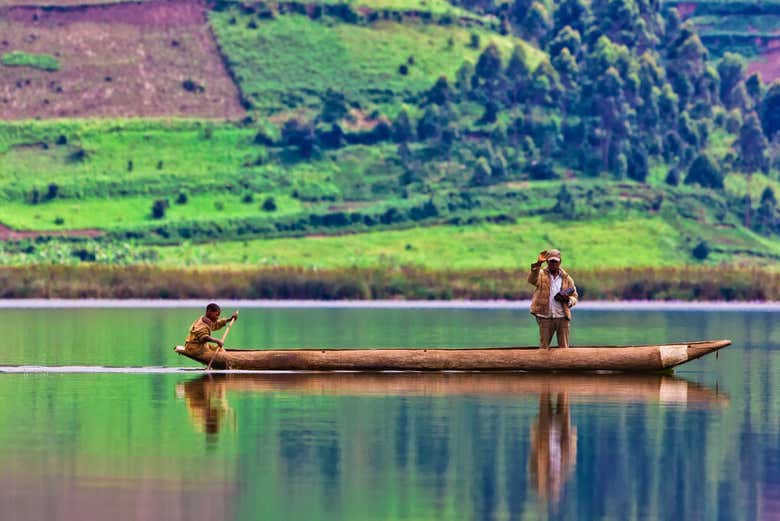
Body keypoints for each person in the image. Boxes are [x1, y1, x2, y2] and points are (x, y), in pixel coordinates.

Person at [527, 249, 578, 348]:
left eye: (556, 261)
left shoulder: (567, 278)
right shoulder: (541, 274)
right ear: (547, 262)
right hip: (545, 317)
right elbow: (532, 280)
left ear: (560, 262)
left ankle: (566, 363)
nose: (553, 264)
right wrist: (537, 264)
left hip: (562, 317)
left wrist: (568, 300)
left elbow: (575, 297)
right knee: (544, 348)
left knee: (564, 348)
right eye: (551, 261)